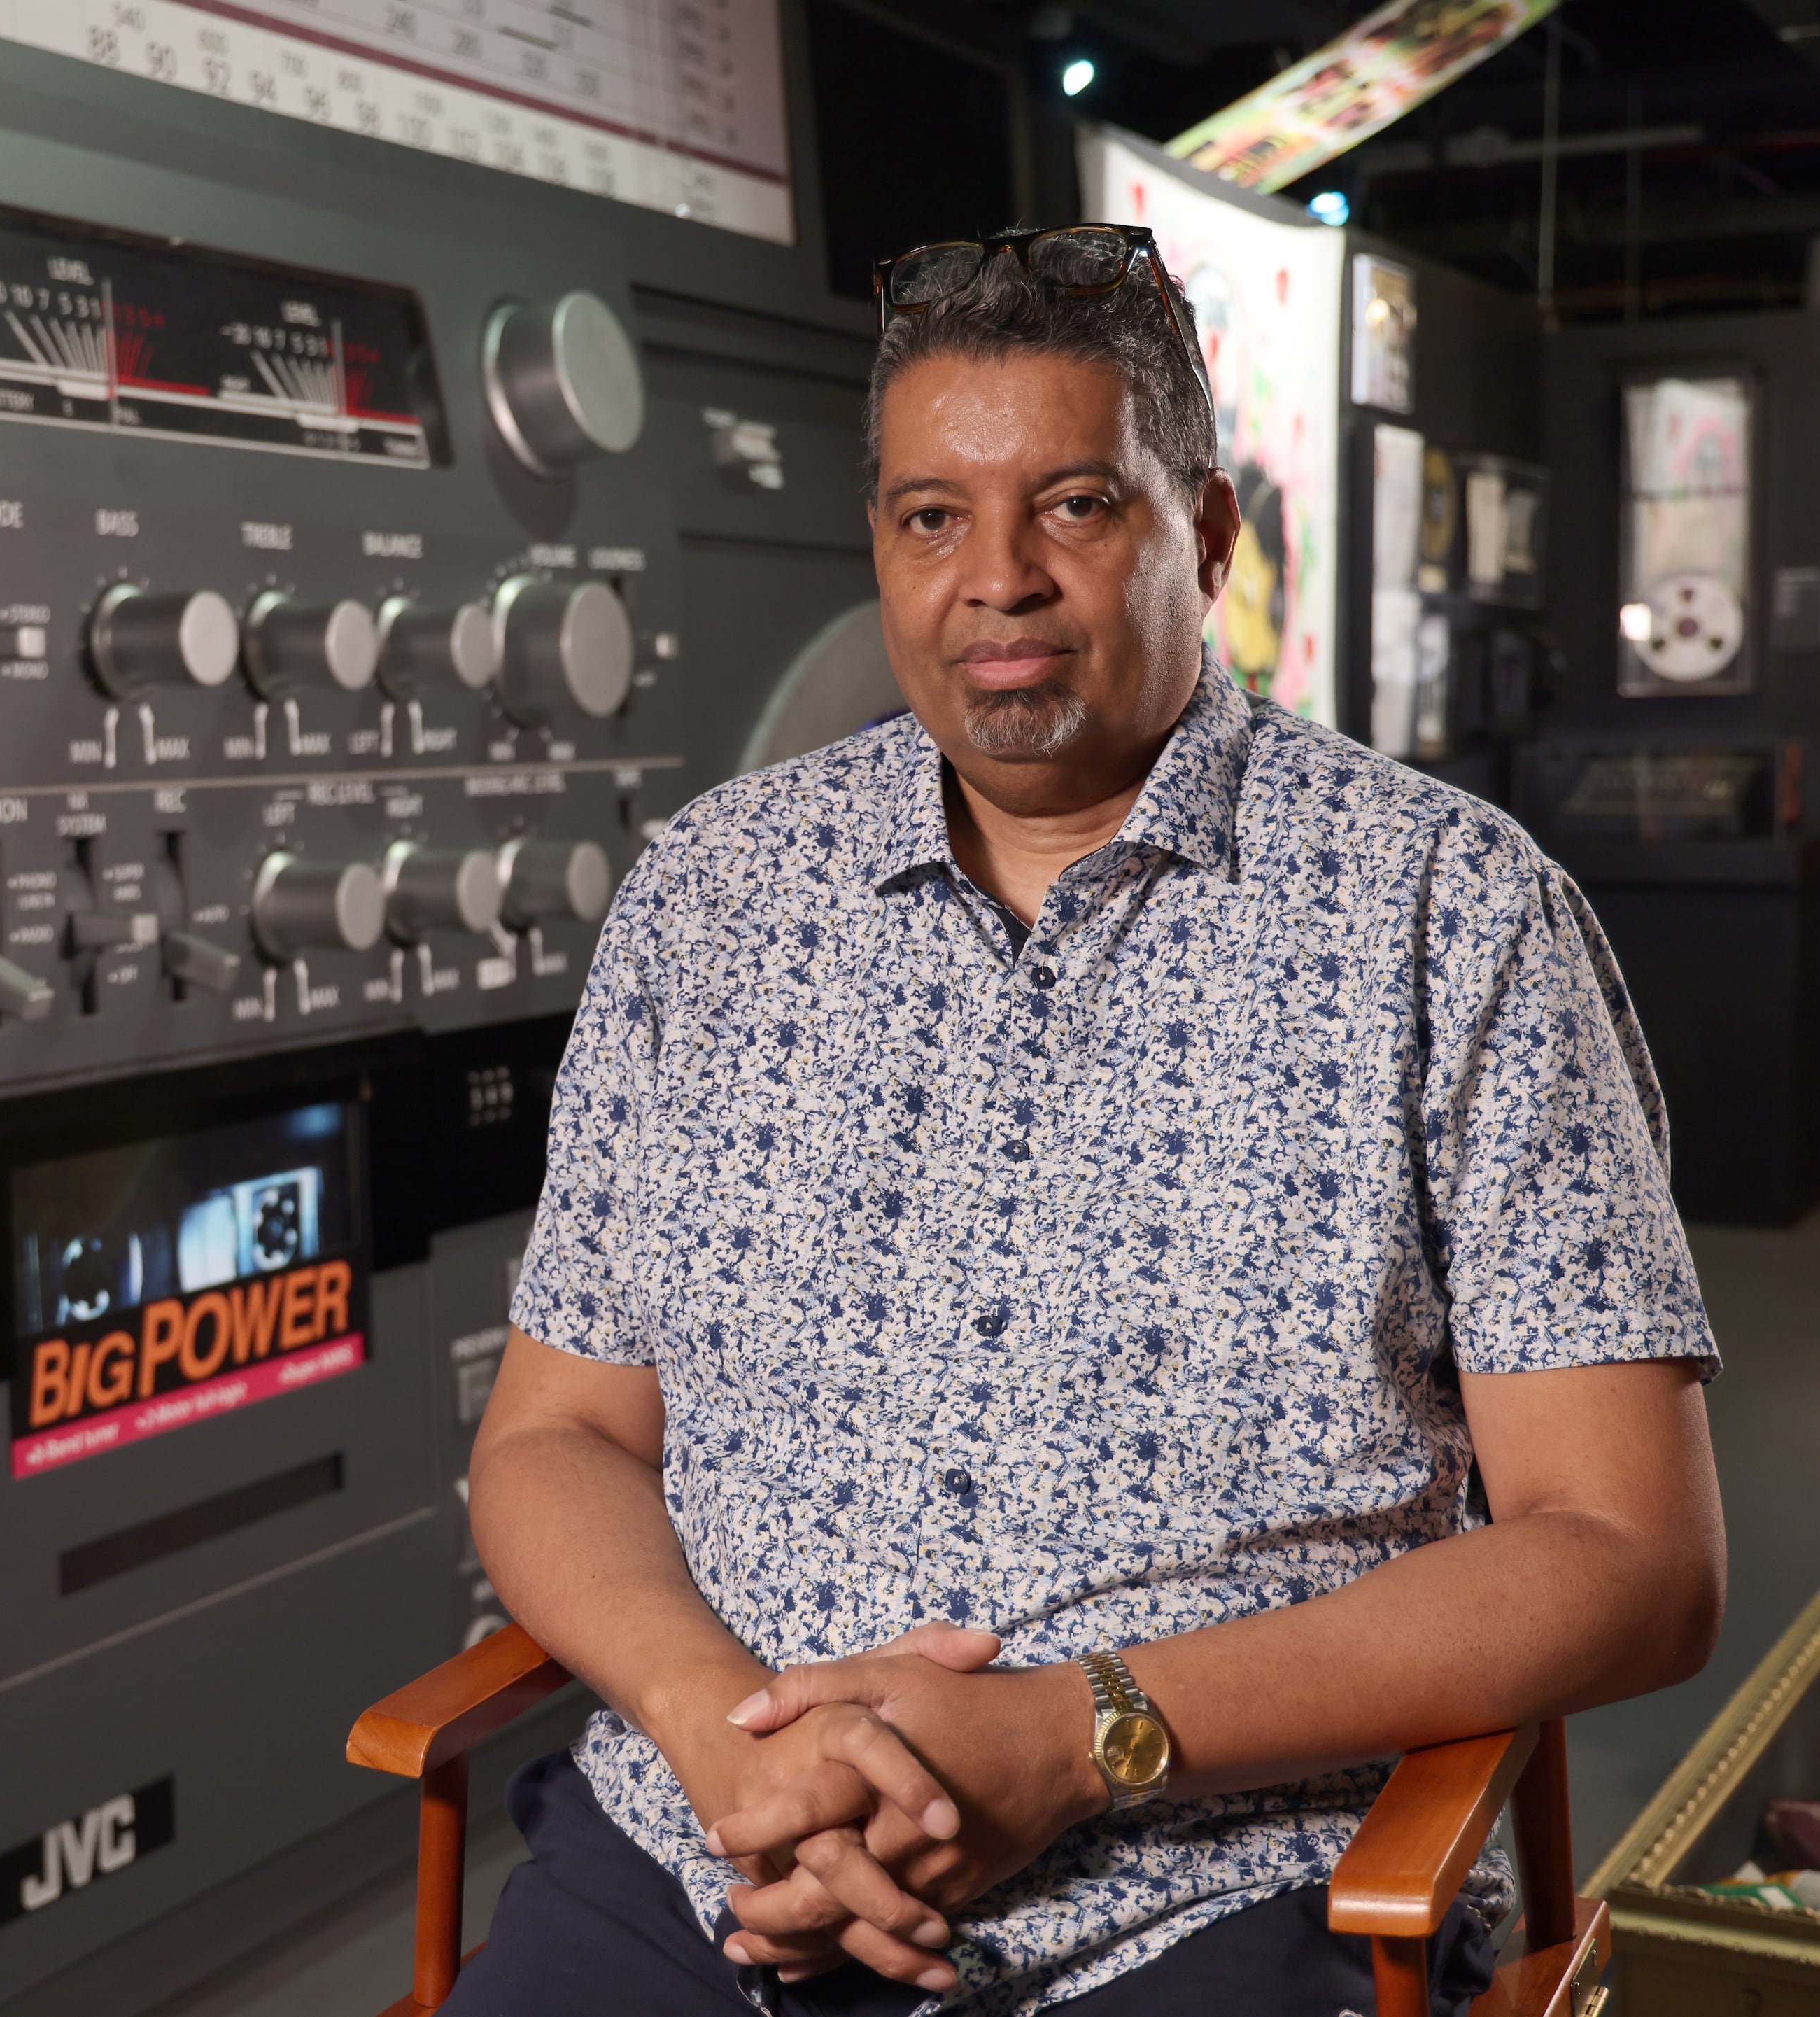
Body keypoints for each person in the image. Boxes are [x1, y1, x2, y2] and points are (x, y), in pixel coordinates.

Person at [455, 226, 1725, 2016]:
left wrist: (1076, 1736)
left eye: (1073, 506)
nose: (998, 581)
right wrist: (724, 1744)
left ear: (1204, 536)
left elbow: (1630, 1558)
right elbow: (554, 1434)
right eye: (929, 519)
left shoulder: (1447, 912)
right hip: (716, 1855)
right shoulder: (711, 901)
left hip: (1225, 1887)